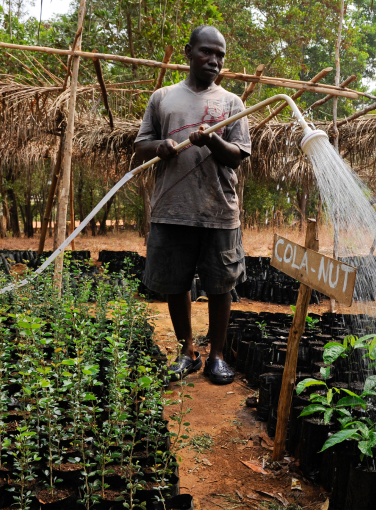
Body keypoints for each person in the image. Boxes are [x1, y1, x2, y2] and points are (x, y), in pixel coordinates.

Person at [134, 25, 250, 385]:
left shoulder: (232, 103)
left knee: (220, 285)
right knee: (175, 282)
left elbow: (238, 156)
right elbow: (141, 144)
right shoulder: (163, 98)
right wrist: (161, 147)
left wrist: (213, 140)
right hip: (172, 209)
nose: (214, 60)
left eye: (220, 55)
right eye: (206, 52)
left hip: (219, 211)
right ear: (188, 52)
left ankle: (216, 354)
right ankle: (187, 351)